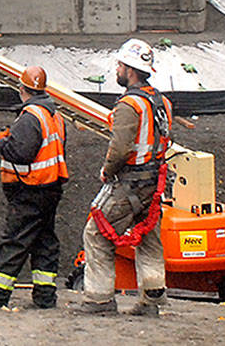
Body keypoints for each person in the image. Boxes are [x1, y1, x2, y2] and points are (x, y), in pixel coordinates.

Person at [76, 38, 173, 316]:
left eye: (119, 65)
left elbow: (120, 148)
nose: (116, 70)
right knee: (150, 239)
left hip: (130, 182)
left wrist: (107, 171)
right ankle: (152, 299)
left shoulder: (129, 105)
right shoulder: (162, 102)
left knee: (96, 233)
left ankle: (99, 299)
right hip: (154, 185)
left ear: (130, 69)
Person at [0, 65, 68, 310]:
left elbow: (20, 153)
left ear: (22, 89)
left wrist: (2, 141)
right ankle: (45, 297)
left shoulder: (31, 117)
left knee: (15, 242)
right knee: (44, 242)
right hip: (50, 187)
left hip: (30, 190)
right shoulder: (54, 116)